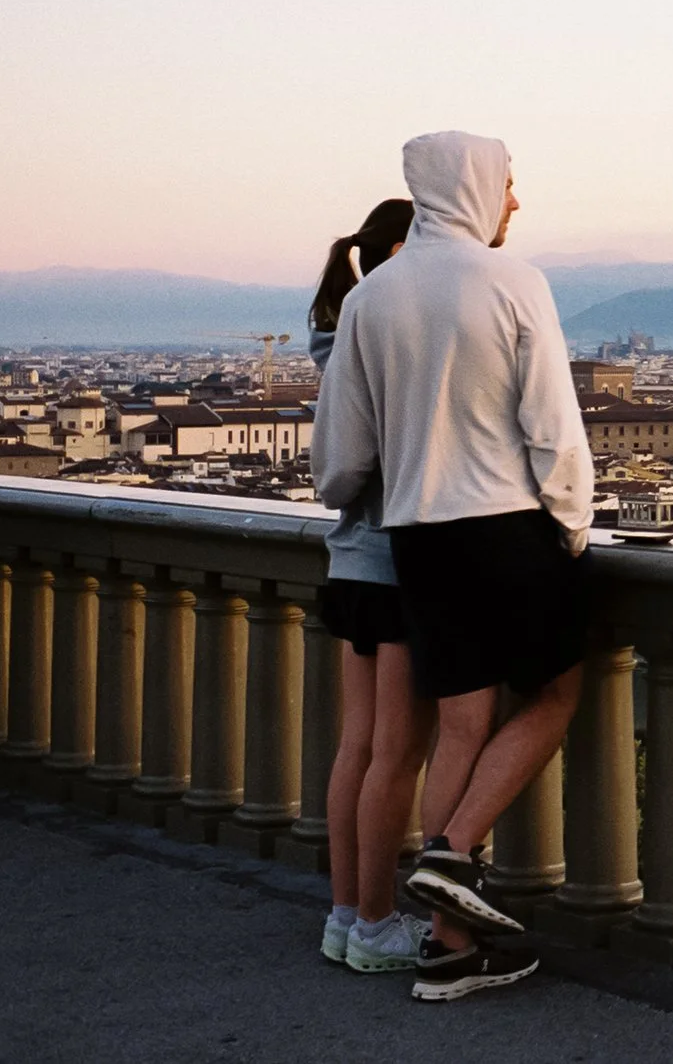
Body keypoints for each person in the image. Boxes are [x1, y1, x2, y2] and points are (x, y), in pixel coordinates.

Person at [314, 132, 597, 1003]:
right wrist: (574, 528)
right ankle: (450, 852)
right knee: (553, 695)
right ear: (476, 187)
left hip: (415, 541)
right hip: (505, 527)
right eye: (508, 186)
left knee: (462, 727)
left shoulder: (373, 299)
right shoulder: (514, 283)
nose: (515, 202)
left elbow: (340, 464)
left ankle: (449, 949)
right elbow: (553, 424)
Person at [306, 197, 436, 974]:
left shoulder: (338, 343)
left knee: (357, 749)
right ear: (396, 253)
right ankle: (382, 923)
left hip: (347, 564)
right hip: (398, 566)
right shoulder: (391, 345)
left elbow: (339, 470)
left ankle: (346, 915)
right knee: (397, 755)